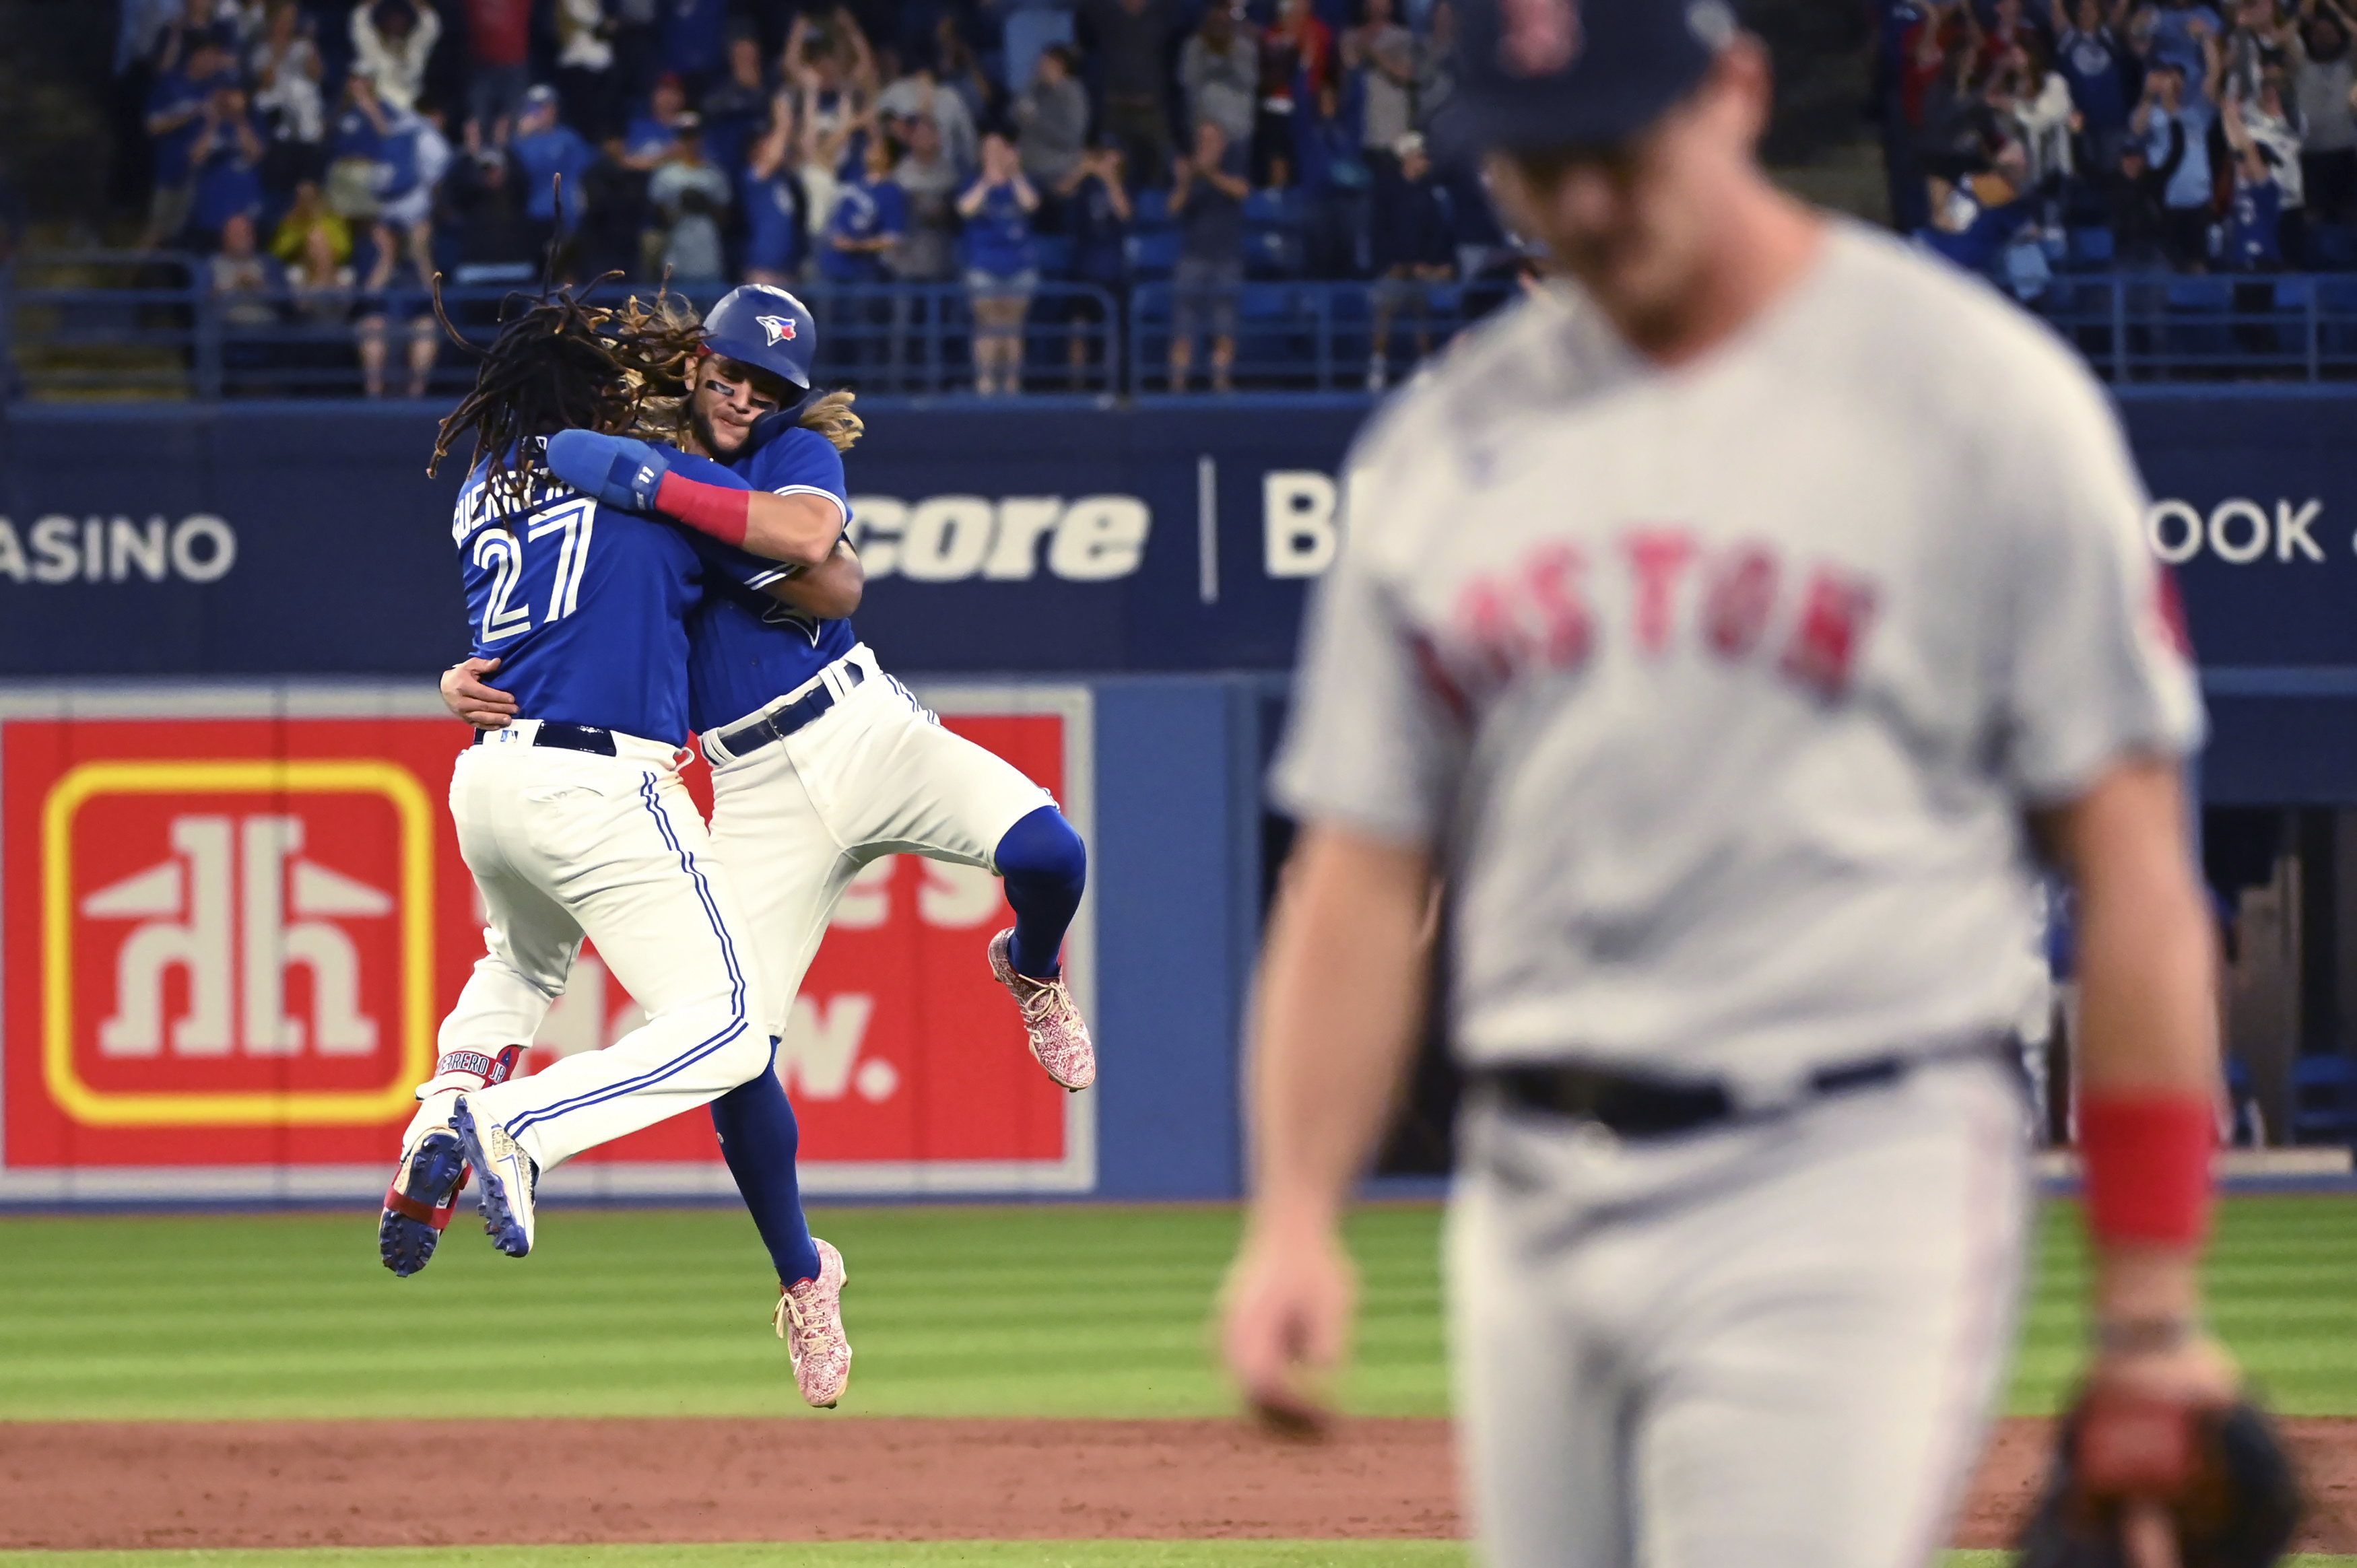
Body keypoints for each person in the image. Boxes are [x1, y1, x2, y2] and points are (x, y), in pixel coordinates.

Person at [1221, 8, 2248, 1568]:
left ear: (1740, 92)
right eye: (1537, 161)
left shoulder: (1975, 402)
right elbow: (1360, 871)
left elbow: (2133, 868)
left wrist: (2152, 1304)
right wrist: (1296, 1210)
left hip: (1847, 1150)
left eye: (1619, 149)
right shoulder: (1446, 449)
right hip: (1528, 1183)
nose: (1581, 204)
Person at [432, 286, 1098, 1392]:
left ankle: (1029, 966)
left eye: (768, 384)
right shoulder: (624, 477)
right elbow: (542, 606)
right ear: (694, 362)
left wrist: (653, 481)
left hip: (864, 722)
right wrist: (459, 675)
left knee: (1051, 850)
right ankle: (804, 1278)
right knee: (738, 1049)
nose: (746, 395)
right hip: (747, 781)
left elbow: (827, 561)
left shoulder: (761, 455)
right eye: (730, 372)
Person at [389, 287, 847, 1392]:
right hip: (598, 777)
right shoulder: (645, 488)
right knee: (735, 1027)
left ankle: (441, 1117)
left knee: (520, 959)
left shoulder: (483, 488)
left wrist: (453, 680)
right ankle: (515, 1128)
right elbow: (822, 578)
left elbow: (525, 627)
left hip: (489, 779)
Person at [1364, 131, 1453, 390]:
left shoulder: (1430, 194)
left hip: (1421, 269)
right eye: (1420, 157)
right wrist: (1394, 262)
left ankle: (1426, 367)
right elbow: (1379, 230)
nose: (1425, 162)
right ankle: (1377, 367)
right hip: (1392, 267)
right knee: (1384, 312)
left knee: (1423, 314)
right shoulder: (1387, 192)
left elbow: (1437, 232)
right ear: (1408, 159)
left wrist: (1431, 264)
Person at [1168, 118, 1250, 393]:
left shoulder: (1233, 166)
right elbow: (1173, 208)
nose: (1208, 145)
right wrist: (1189, 178)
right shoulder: (1187, 170)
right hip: (1193, 256)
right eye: (1203, 140)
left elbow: (1242, 191)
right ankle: (1178, 385)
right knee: (1183, 324)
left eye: (1213, 140)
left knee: (1224, 323)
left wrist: (1212, 174)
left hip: (1226, 257)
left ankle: (1221, 384)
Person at [959, 131, 1040, 397]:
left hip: (1019, 264)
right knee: (988, 325)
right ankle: (985, 384)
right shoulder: (973, 181)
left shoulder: (1021, 183)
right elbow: (965, 208)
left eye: (999, 150)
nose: (994, 156)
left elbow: (1031, 204)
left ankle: (1011, 385)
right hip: (984, 264)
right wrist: (986, 182)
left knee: (1012, 327)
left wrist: (1014, 174)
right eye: (988, 151)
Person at [140, 32, 238, 249]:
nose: (213, 62)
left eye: (216, 57)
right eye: (209, 56)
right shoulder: (171, 84)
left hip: (202, 176)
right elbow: (153, 126)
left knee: (181, 239)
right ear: (196, 56)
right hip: (171, 171)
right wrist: (191, 113)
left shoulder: (215, 88)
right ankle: (126, 281)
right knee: (156, 232)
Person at [1057, 139, 1133, 388]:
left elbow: (1125, 213)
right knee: (1077, 328)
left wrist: (1110, 179)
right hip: (1081, 267)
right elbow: (1060, 192)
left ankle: (1114, 384)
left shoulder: (1124, 185)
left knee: (1113, 330)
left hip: (1112, 272)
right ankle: (1075, 385)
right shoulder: (1084, 185)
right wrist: (1083, 170)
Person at [2133, 57, 2220, 265]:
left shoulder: (2198, 113)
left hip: (2198, 200)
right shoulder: (2153, 115)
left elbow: (2214, 78)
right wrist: (2148, 94)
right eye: (2169, 78)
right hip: (2168, 201)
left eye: (2177, 79)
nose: (2173, 84)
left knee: (2198, 262)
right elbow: (2137, 130)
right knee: (2169, 263)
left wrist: (2207, 41)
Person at [649, 114, 732, 284]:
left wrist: (706, 206)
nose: (690, 142)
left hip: (708, 259)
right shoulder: (665, 176)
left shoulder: (714, 175)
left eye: (694, 137)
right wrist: (680, 208)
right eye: (685, 137)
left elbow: (725, 219)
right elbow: (657, 220)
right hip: (676, 258)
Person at [742, 91, 809, 286]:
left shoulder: (786, 179)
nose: (771, 145)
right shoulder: (753, 178)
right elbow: (775, 155)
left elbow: (804, 150)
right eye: (765, 143)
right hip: (764, 267)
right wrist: (783, 121)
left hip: (790, 266)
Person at [1014, 44, 1091, 201]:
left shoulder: (1073, 94)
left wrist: (1037, 121)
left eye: (1045, 63)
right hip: (1030, 166)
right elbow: (1013, 113)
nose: (1039, 67)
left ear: (1059, 65)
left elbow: (1071, 137)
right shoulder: (1036, 88)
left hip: (1058, 168)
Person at [1182, 3, 1261, 150]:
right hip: (1205, 131)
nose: (1219, 17)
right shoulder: (1195, 47)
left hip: (1237, 130)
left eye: (1223, 12)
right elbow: (1188, 82)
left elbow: (1251, 81)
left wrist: (1229, 60)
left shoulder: (1244, 47)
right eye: (1215, 11)